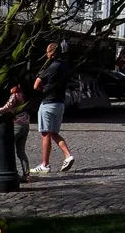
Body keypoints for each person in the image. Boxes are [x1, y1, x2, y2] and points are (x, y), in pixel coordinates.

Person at [32, 43, 75, 173]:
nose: (46, 54)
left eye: (47, 52)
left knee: (45, 133)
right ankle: (68, 155)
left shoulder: (51, 67)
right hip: (60, 103)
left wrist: (43, 89)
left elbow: (36, 85)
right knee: (54, 133)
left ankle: (45, 164)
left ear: (51, 53)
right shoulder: (65, 66)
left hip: (48, 103)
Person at [0, 82, 30, 182]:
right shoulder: (23, 95)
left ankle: (10, 171)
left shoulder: (14, 96)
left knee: (7, 148)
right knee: (21, 151)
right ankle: (26, 174)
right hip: (25, 125)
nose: (10, 88)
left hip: (17, 125)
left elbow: (7, 107)